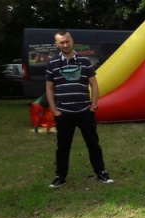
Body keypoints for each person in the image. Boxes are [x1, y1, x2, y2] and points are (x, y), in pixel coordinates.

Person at [45, 29, 113, 188]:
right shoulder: (52, 64)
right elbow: (49, 89)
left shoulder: (84, 61)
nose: (65, 44)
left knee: (93, 144)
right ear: (56, 44)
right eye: (61, 42)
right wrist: (54, 111)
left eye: (67, 41)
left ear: (72, 41)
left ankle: (101, 172)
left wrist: (94, 105)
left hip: (85, 111)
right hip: (64, 113)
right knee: (63, 146)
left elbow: (94, 84)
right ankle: (60, 176)